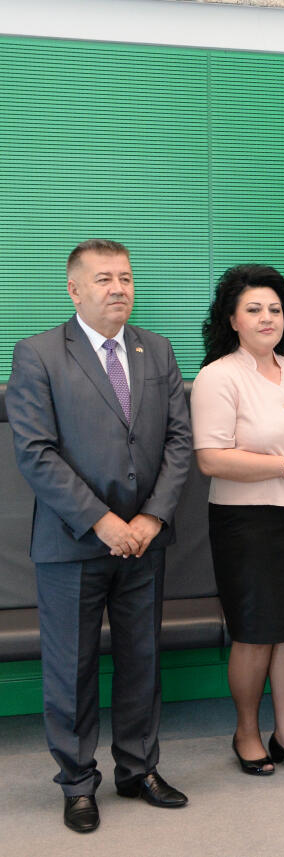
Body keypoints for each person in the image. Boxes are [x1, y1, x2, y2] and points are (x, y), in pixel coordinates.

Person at [8, 239, 192, 833]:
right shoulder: (37, 354)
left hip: (144, 541)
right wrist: (103, 521)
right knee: (73, 667)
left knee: (142, 659)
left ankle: (139, 768)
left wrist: (150, 519)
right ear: (74, 289)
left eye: (127, 277)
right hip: (73, 542)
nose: (119, 288)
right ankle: (78, 782)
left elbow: (178, 443)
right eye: (105, 278)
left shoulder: (157, 350)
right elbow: (36, 453)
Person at [191, 264, 284, 776]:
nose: (266, 317)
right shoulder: (217, 376)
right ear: (232, 318)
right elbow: (211, 458)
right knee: (254, 631)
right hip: (246, 522)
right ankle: (246, 732)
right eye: (253, 309)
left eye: (274, 309)